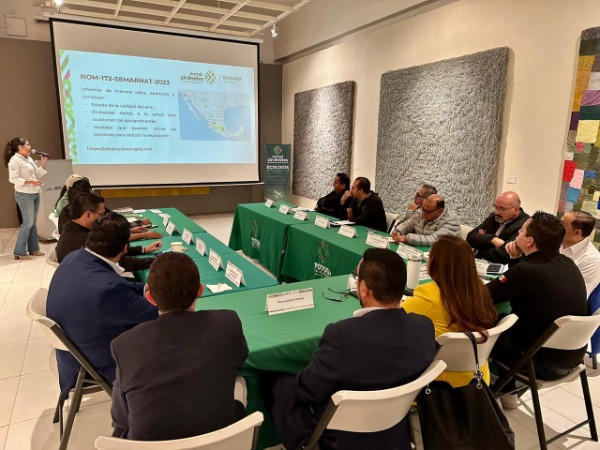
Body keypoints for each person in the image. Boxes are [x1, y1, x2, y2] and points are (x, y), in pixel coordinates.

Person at [266, 248, 436, 450]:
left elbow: (307, 391)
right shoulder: (424, 328)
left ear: (363, 289)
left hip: (341, 436)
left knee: (277, 382)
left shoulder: (342, 336)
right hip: (395, 428)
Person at [110, 252, 248, 441]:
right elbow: (240, 359)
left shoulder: (125, 344)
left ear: (150, 298)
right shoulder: (228, 323)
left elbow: (120, 417)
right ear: (200, 290)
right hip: (221, 438)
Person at [47, 212, 158, 400]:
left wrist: (144, 287)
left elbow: (120, 286)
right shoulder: (109, 290)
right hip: (96, 363)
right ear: (125, 247)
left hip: (73, 354)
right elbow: (158, 313)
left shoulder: (74, 257)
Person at [487, 211, 587, 409]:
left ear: (530, 241)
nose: (517, 234)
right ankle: (508, 390)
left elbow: (484, 295)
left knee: (486, 324)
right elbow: (520, 281)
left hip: (538, 362)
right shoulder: (566, 263)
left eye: (521, 231)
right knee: (510, 322)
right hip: (571, 359)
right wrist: (516, 258)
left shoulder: (528, 271)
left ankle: (478, 391)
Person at [402, 235, 498, 387]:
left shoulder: (427, 296)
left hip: (436, 383)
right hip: (477, 379)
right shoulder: (479, 289)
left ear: (435, 264)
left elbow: (397, 316)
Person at [56, 192, 161, 271]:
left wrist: (144, 249)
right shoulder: (84, 240)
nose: (104, 218)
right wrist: (157, 262)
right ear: (88, 214)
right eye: (101, 214)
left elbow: (113, 249)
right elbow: (118, 262)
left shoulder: (70, 228)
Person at [4, 137, 48, 259]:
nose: (30, 147)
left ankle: (34, 249)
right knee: (28, 223)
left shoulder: (29, 158)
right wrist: (30, 182)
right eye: (28, 145)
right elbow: (13, 179)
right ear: (20, 147)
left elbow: (37, 174)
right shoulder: (14, 160)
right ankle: (19, 251)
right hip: (24, 194)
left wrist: (43, 164)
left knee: (32, 222)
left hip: (35, 193)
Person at [466, 191, 529, 264]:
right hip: (480, 262)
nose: (496, 212)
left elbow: (505, 255)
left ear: (516, 210)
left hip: (503, 266)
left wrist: (479, 248)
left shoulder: (525, 225)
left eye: (502, 209)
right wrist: (493, 239)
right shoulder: (493, 217)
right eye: (495, 207)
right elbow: (470, 237)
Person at [391, 194, 460, 246]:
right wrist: (398, 231)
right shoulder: (421, 211)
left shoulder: (451, 220)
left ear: (440, 211)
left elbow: (435, 240)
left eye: (427, 211)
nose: (423, 213)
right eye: (422, 208)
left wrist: (407, 238)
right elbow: (407, 225)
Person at [560, 210, 600, 298]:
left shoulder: (592, 260)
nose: (556, 227)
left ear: (577, 233)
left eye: (562, 224)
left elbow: (575, 297)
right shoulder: (556, 241)